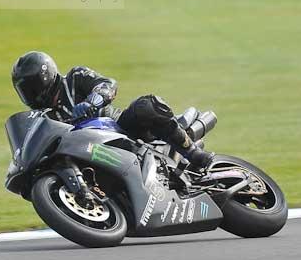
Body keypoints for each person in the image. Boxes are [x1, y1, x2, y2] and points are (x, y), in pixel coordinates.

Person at [11, 50, 214, 170]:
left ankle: (192, 152)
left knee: (146, 105)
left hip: (120, 129)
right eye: (24, 91)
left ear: (45, 77)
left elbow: (108, 84)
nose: (30, 94)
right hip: (87, 152)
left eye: (31, 87)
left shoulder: (74, 78)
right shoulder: (43, 116)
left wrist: (93, 101)